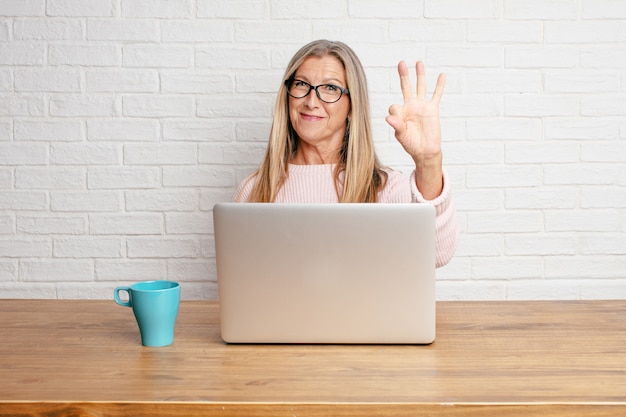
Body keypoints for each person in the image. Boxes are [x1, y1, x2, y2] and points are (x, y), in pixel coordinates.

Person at [235, 40, 457, 267]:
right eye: (301, 84)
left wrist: (429, 162)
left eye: (330, 88)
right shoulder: (254, 189)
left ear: (352, 106)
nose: (311, 102)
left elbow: (437, 255)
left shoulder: (387, 190)